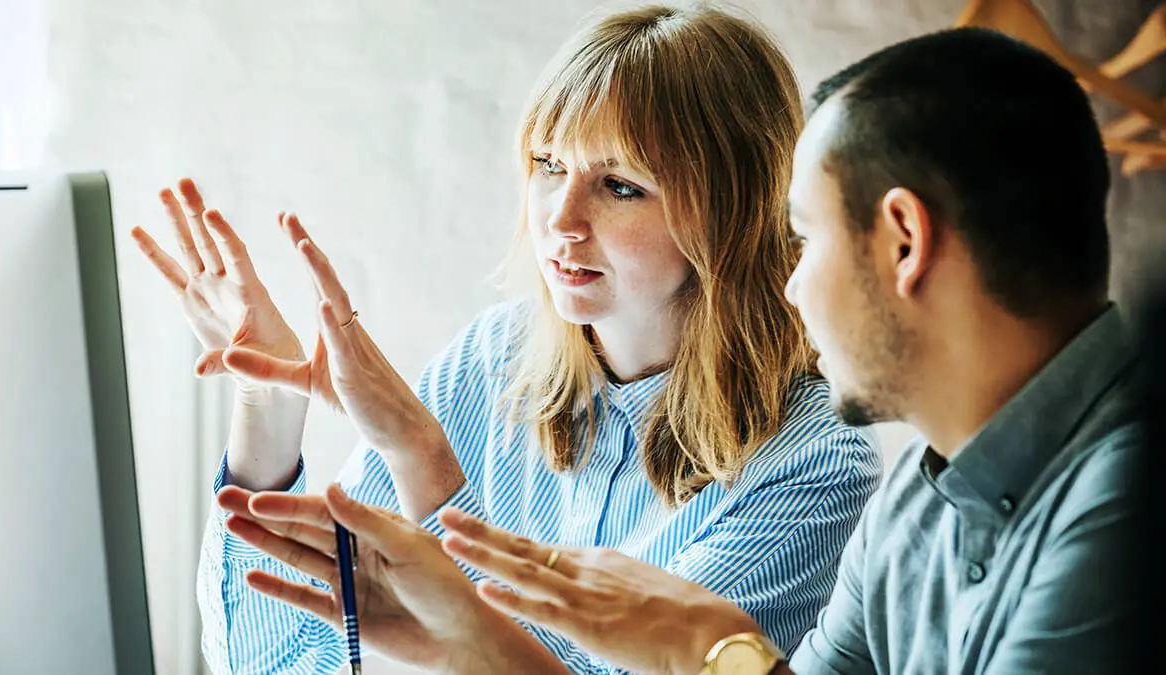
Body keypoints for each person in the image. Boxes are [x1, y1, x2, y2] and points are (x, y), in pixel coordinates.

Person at [224, 25, 1145, 675]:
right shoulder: (927, 490)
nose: (790, 283)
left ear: (903, 242)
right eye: (548, 166)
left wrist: (484, 616)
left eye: (807, 238)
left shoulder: (1129, 506)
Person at [131, 4, 880, 673]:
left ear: (733, 212)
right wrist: (268, 403)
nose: (560, 218)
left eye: (620, 184)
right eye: (548, 166)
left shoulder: (814, 459)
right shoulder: (492, 359)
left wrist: (424, 462)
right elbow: (279, 661)